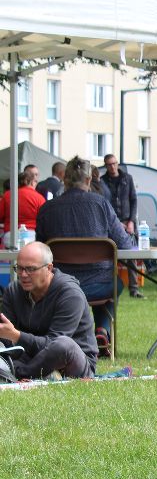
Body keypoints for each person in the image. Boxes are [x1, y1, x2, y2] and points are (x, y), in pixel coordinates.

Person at [34, 157, 136, 352]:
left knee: (95, 280)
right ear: (89, 180)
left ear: (64, 179)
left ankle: (66, 333)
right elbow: (123, 243)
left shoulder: (48, 209)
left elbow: (39, 250)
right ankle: (102, 330)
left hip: (60, 285)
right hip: (100, 286)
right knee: (116, 283)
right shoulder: (102, 205)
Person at [0, 242, 98, 380]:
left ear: (49, 268)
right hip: (27, 357)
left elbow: (52, 344)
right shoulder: (13, 291)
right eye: (19, 268)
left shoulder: (70, 294)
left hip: (70, 362)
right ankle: (35, 375)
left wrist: (16, 336)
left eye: (30, 269)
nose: (23, 274)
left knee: (63, 345)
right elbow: (7, 342)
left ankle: (18, 375)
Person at [101, 154, 142, 298]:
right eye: (109, 164)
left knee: (132, 255)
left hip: (128, 220)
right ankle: (110, 286)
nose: (112, 167)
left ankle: (134, 288)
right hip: (112, 222)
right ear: (106, 165)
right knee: (110, 255)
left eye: (114, 163)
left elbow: (134, 200)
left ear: (117, 163)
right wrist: (116, 223)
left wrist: (131, 221)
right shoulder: (102, 181)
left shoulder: (127, 178)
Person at [0, 171, 45, 243]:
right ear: (32, 182)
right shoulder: (40, 198)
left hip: (10, 235)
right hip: (32, 236)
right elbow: (43, 220)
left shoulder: (7, 195)